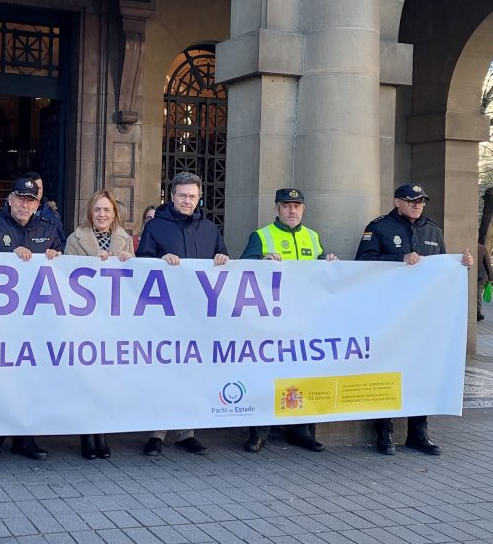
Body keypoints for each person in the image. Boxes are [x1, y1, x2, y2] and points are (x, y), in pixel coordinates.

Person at [355, 182, 473, 456]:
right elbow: (363, 263)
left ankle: (418, 433)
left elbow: (441, 269)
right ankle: (384, 433)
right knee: (387, 370)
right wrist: (399, 258)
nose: (417, 205)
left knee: (422, 371)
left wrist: (460, 265)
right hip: (389, 314)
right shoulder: (379, 227)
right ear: (397, 201)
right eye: (411, 201)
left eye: (421, 201)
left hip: (423, 316)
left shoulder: (433, 229)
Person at [135, 171, 229, 457]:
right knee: (163, 373)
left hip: (199, 316)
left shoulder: (211, 229)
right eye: (182, 196)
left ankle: (186, 432)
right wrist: (159, 261)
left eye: (192, 196)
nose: (187, 201)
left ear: (199, 198)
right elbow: (141, 266)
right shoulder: (156, 227)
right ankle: (157, 432)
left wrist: (222, 259)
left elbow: (222, 257)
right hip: (164, 315)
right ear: (171, 196)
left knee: (192, 373)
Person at [0, 176, 64, 463]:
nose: (24, 204)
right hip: (0, 321)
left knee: (31, 381)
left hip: (37, 321)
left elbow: (63, 266)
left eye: (30, 200)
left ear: (38, 204)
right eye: (20, 198)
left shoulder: (49, 231)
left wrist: (55, 256)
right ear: (9, 199)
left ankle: (25, 438)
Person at [239, 187, 338, 454]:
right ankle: (260, 432)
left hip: (304, 318)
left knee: (304, 372)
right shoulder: (261, 235)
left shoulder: (312, 236)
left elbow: (321, 270)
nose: (292, 210)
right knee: (267, 373)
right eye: (286, 206)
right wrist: (261, 260)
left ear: (303, 209)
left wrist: (329, 261)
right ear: (277, 209)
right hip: (271, 318)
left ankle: (301, 431)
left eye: (297, 206)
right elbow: (242, 269)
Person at [64, 190, 134, 460]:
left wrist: (130, 261)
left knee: (105, 379)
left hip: (111, 320)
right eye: (97, 210)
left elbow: (132, 282)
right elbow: (67, 275)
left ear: (114, 213)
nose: (102, 214)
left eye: (107, 210)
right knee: (86, 379)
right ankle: (85, 434)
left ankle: (102, 433)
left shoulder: (124, 239)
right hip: (84, 320)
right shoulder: (75, 238)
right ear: (90, 213)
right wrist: (92, 263)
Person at [21, 171, 66, 241]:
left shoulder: (52, 215)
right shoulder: (14, 212)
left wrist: (55, 251)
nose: (37, 191)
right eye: (34, 188)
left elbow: (62, 242)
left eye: (39, 188)